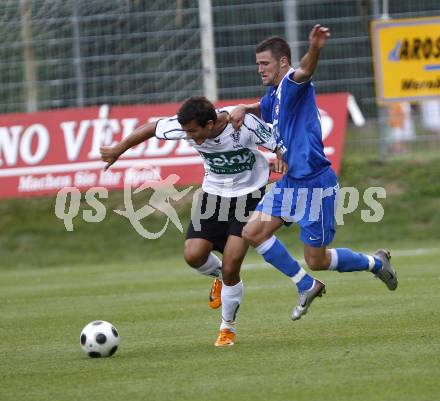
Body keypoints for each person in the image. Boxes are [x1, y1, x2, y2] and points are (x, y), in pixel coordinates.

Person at [230, 25, 398, 321]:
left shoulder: (294, 83)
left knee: (316, 259)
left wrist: (316, 48)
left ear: (283, 62)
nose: (259, 69)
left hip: (316, 185)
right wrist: (245, 107)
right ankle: (306, 284)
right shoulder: (274, 95)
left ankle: (376, 262)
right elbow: (265, 107)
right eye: (257, 64)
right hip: (292, 182)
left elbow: (304, 71)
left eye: (264, 63)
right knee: (252, 231)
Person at [100, 96, 292, 347]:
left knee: (232, 266)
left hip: (249, 197)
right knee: (193, 255)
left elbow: (278, 142)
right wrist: (118, 149)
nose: (189, 137)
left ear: (210, 124)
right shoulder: (187, 128)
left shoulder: (242, 125)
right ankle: (220, 277)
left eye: (193, 132)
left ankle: (227, 329)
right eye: (186, 131)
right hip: (213, 196)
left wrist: (281, 156)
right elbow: (151, 128)